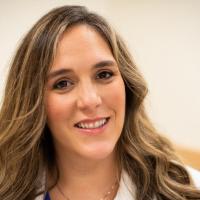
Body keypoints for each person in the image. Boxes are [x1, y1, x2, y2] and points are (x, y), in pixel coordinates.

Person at [0, 5, 200, 200]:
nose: (90, 100)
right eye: (63, 83)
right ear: (33, 101)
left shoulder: (188, 190)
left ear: (127, 84)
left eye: (104, 74)